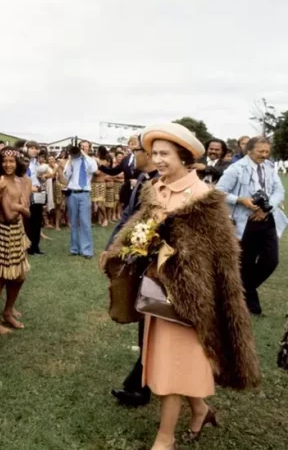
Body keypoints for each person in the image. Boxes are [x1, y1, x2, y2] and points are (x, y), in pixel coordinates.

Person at [104, 123, 260, 450]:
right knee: (170, 361)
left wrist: (172, 255)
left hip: (188, 301)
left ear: (185, 157)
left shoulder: (204, 198)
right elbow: (136, 230)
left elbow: (221, 256)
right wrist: (124, 250)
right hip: (156, 295)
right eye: (155, 153)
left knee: (174, 366)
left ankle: (165, 438)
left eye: (165, 154)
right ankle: (201, 410)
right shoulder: (154, 189)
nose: (158, 159)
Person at [104, 138, 159, 408]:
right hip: (138, 261)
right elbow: (127, 216)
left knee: (151, 323)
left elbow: (147, 226)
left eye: (135, 151)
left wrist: (128, 250)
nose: (131, 155)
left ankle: (141, 386)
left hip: (153, 265)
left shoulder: (159, 184)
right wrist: (112, 247)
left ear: (147, 153)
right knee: (144, 322)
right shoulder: (142, 179)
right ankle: (140, 384)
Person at [217, 135, 287, 315]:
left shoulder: (270, 167)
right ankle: (251, 306)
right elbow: (219, 192)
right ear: (249, 150)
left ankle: (239, 293)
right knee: (246, 263)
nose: (264, 155)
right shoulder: (236, 169)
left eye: (267, 151)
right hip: (244, 222)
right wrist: (240, 200)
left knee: (271, 260)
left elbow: (279, 190)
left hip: (267, 218)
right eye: (260, 151)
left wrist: (267, 208)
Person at [0, 147, 30, 334]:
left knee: (20, 275)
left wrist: (19, 207)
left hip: (17, 232)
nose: (8, 165)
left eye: (11, 161)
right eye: (4, 161)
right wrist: (20, 207)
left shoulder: (20, 181)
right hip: (1, 231)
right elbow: (10, 214)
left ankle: (8, 311)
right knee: (0, 278)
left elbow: (27, 211)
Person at [64, 141, 98, 259]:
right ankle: (74, 249)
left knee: (85, 222)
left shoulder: (91, 160)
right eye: (81, 147)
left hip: (84, 193)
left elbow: (93, 169)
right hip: (72, 193)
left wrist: (85, 155)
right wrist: (69, 160)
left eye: (85, 147)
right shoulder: (72, 160)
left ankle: (87, 250)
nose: (83, 148)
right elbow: (66, 175)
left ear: (89, 148)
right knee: (73, 222)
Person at [98, 135, 139, 210]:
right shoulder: (126, 159)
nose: (134, 146)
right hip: (128, 191)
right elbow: (114, 171)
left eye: (136, 143)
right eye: (132, 144)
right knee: (127, 212)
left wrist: (139, 182)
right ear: (128, 146)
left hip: (140, 191)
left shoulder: (145, 157)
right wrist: (100, 166)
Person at [24, 141, 45, 255]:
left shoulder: (36, 163)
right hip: (29, 194)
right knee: (29, 222)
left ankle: (36, 246)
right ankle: (29, 247)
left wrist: (42, 180)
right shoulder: (25, 162)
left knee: (37, 222)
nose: (34, 150)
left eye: (36, 148)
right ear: (26, 149)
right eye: (32, 148)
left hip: (38, 194)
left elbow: (37, 178)